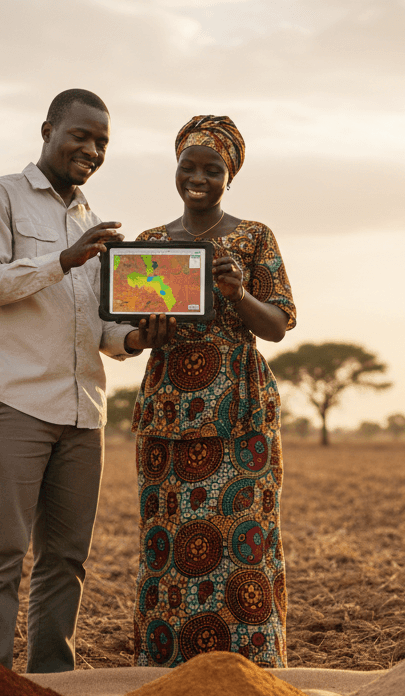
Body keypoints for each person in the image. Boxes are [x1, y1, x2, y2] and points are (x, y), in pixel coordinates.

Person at [0, 89, 172, 673]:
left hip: (83, 411)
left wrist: (138, 337)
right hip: (13, 400)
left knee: (67, 559)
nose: (92, 150)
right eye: (81, 135)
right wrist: (62, 260)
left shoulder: (91, 223)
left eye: (102, 142)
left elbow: (100, 326)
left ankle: (53, 687)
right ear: (47, 130)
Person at [130, 115, 297, 668]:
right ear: (175, 168)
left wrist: (238, 293)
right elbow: (129, 326)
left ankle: (253, 672)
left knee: (244, 540)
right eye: (189, 166)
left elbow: (277, 325)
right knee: (167, 541)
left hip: (240, 409)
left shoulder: (254, 237)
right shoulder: (151, 245)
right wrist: (147, 331)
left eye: (213, 169)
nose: (198, 178)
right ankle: (166, 673)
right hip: (168, 410)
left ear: (230, 176)